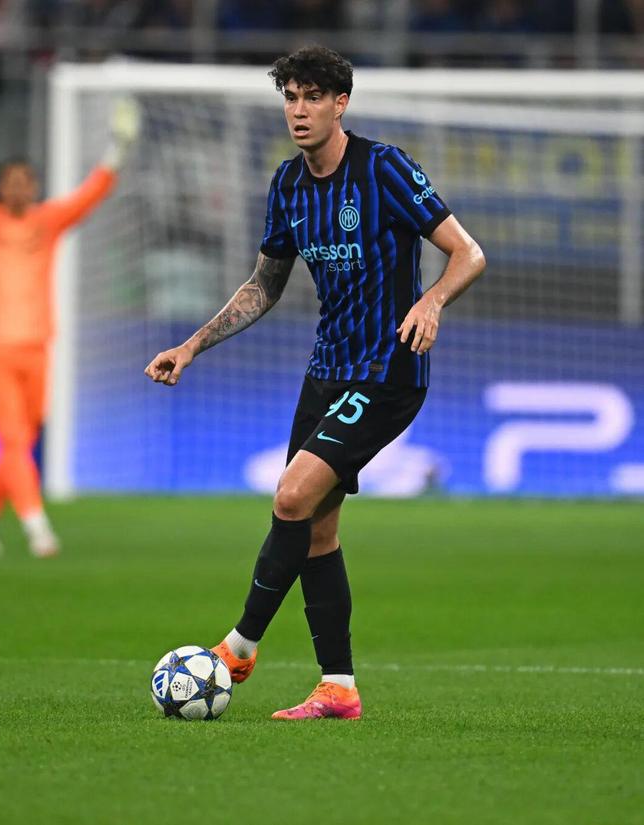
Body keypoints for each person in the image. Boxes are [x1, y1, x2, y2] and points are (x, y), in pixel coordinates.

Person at [145, 46, 485, 720]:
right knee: (317, 531)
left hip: (387, 371)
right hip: (326, 371)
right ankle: (339, 686)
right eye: (291, 97)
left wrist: (432, 301)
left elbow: (467, 253)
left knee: (291, 495)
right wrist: (191, 344)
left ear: (340, 104)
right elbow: (263, 285)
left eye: (312, 97)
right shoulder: (288, 184)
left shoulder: (384, 168)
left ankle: (239, 646)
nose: (298, 110)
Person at [0, 99, 140, 558]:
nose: (18, 188)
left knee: (21, 441)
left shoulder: (46, 222)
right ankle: (38, 529)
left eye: (25, 181)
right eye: (11, 181)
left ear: (34, 187)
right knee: (13, 440)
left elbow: (89, 195)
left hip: (38, 348)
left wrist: (117, 150)